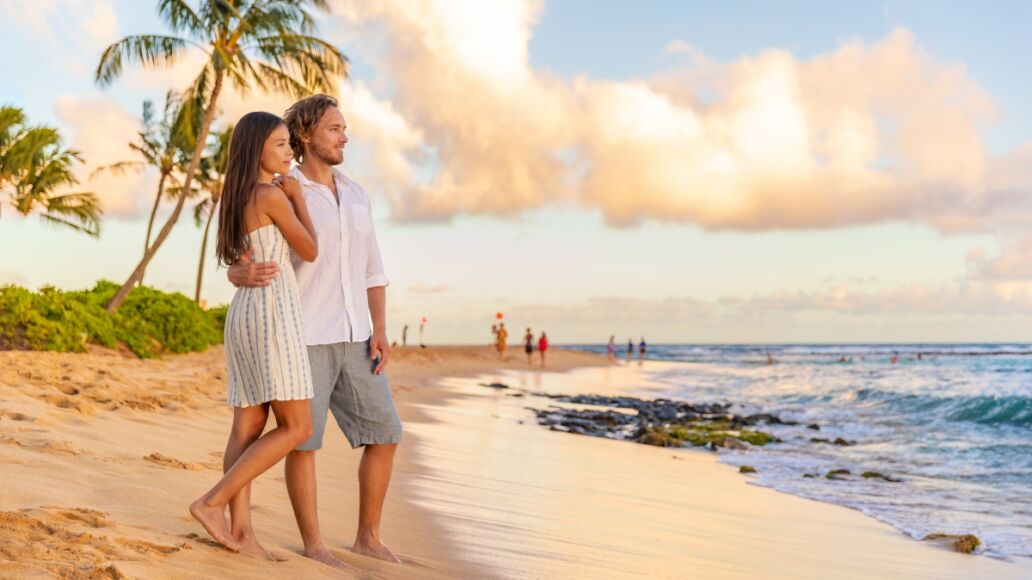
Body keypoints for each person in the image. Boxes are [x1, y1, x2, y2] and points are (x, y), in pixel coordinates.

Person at [228, 95, 402, 567]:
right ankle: (315, 544)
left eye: (344, 128)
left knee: (385, 433)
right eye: (334, 128)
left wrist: (380, 328)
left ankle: (368, 536)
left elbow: (373, 268)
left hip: (357, 333)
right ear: (305, 135)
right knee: (303, 441)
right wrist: (236, 273)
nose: (344, 136)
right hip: (301, 331)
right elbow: (244, 245)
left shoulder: (357, 192)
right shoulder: (283, 183)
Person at [191, 112, 318, 556]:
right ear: (258, 149)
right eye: (282, 144)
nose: (290, 152)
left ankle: (242, 530)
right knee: (298, 426)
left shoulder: (236, 196)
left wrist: (236, 273)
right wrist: (299, 198)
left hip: (244, 314)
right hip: (272, 314)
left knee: (247, 426)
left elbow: (237, 259)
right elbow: (309, 249)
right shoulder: (271, 194)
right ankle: (213, 502)